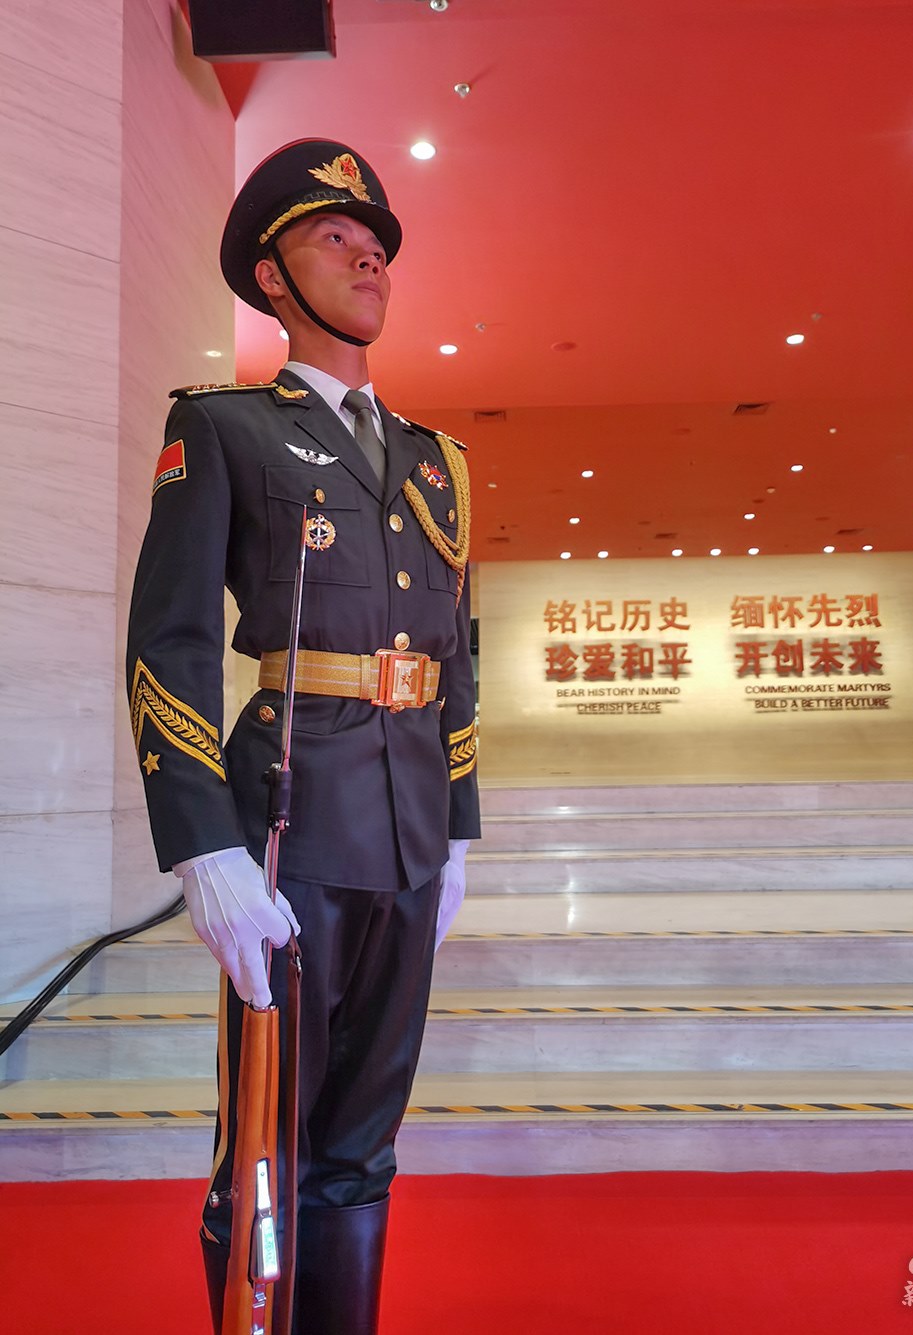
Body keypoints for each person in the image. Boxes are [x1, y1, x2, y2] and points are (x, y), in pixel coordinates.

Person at [126, 138, 480, 1334]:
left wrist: (459, 829)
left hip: (410, 832)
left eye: (376, 242)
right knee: (267, 1149)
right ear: (272, 277)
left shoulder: (436, 465)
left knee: (363, 1154)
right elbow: (170, 644)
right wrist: (204, 851)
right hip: (292, 825)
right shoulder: (227, 429)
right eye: (336, 237)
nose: (369, 256)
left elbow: (454, 657)